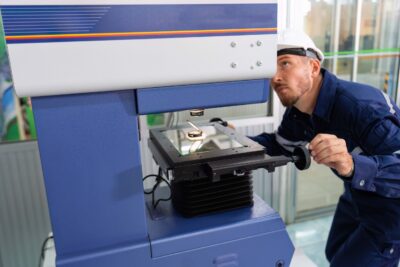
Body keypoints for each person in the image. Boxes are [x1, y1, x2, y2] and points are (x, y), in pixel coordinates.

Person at [250, 29, 400, 267]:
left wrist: (352, 165)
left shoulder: (362, 108)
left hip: (391, 211)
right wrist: (234, 143)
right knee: (334, 252)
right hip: (356, 196)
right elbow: (281, 145)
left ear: (313, 67)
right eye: (271, 69)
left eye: (285, 64)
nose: (275, 78)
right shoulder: (298, 113)